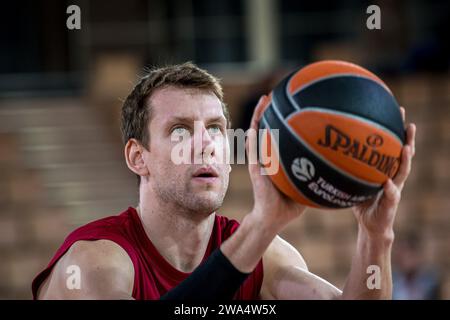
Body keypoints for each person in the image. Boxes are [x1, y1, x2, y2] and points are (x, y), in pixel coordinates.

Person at [32, 62, 416, 300]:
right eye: (180, 130)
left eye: (215, 129)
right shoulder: (93, 261)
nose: (204, 145)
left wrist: (376, 233)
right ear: (138, 157)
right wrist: (261, 226)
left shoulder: (266, 257)